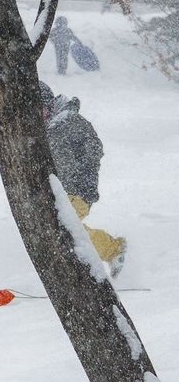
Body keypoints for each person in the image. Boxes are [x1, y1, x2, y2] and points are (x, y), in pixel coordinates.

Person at [40, 81, 125, 272]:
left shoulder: (67, 121)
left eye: (41, 109)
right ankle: (112, 250)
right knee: (63, 228)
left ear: (49, 104)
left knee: (66, 229)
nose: (39, 116)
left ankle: (114, 249)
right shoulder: (51, 127)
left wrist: (78, 173)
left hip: (77, 189)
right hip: (66, 189)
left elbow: (93, 147)